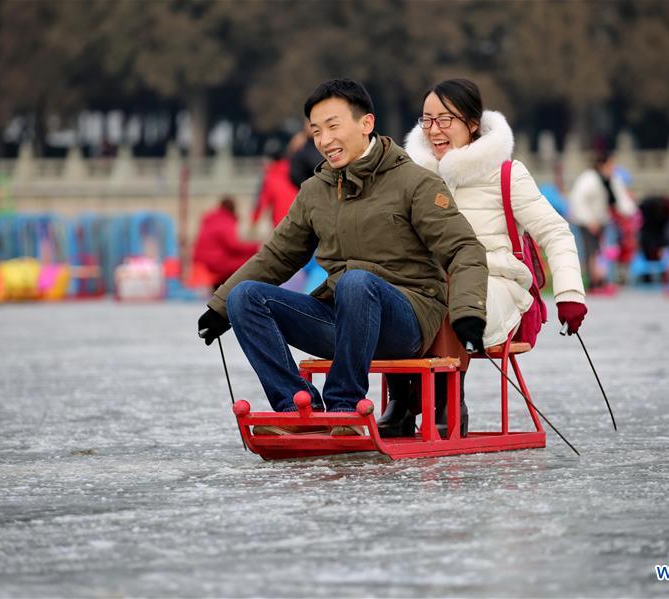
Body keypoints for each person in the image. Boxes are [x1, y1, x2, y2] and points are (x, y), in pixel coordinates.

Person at [196, 79, 489, 437]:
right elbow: (277, 255)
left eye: (333, 126)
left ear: (366, 123)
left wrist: (468, 311)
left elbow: (463, 248)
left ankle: (344, 407)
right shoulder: (314, 191)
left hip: (405, 319)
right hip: (342, 316)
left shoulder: (414, 182)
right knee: (247, 296)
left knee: (357, 281)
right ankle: (297, 406)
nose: (324, 140)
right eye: (316, 131)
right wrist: (221, 305)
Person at [382, 78, 588, 438]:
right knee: (388, 285)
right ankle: (401, 400)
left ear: (472, 123)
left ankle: (449, 398)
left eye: (445, 120)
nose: (435, 130)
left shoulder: (506, 174)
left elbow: (555, 232)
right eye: (427, 120)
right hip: (428, 286)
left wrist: (570, 295)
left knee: (450, 282)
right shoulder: (410, 177)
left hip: (495, 287)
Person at [568, 152, 637, 289]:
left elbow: (622, 200)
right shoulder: (588, 179)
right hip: (586, 222)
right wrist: (589, 220)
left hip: (604, 220)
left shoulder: (613, 179)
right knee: (590, 251)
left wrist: (632, 213)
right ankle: (592, 282)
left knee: (605, 251)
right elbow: (578, 201)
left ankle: (603, 280)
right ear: (601, 165)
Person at [192, 197, 260, 288]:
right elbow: (233, 246)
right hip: (214, 261)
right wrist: (255, 247)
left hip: (203, 259)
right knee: (249, 260)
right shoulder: (226, 220)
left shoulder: (212, 218)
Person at [251, 150, 298, 229]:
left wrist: (254, 221)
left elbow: (261, 202)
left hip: (281, 223)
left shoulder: (270, 178)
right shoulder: (293, 170)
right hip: (298, 219)